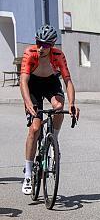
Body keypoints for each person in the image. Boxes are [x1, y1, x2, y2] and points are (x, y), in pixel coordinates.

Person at [20, 25, 79, 195]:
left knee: (59, 108)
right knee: (36, 128)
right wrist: (27, 102)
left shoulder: (58, 55)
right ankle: (29, 173)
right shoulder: (30, 53)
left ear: (52, 45)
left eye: (45, 45)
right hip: (33, 87)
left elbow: (67, 80)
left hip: (51, 83)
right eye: (38, 43)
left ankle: (54, 141)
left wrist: (72, 103)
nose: (40, 47)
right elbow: (23, 80)